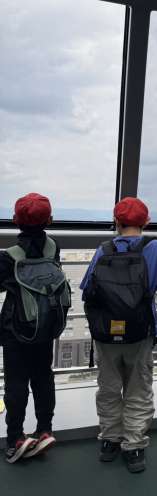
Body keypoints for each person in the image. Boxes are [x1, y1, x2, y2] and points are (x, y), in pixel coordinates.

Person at [80, 197, 157, 473]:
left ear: (117, 222)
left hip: (106, 334)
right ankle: (133, 446)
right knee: (138, 388)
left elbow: (87, 288)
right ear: (146, 222)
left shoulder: (104, 249)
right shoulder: (154, 247)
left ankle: (109, 439)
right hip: (140, 331)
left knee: (108, 388)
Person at [0, 193, 60, 463]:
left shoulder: (8, 257)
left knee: (16, 384)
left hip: (16, 330)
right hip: (45, 326)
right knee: (43, 378)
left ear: (15, 220)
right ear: (50, 220)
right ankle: (45, 429)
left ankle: (15, 438)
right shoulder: (54, 248)